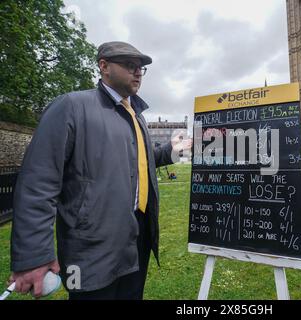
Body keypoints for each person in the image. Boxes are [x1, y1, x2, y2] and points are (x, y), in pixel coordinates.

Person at [8, 41, 191, 300]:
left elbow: (140, 160)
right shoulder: (71, 106)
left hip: (135, 240)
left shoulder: (136, 116)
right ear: (103, 66)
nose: (138, 72)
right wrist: (33, 256)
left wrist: (173, 150)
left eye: (141, 68)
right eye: (130, 65)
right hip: (88, 250)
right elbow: (38, 182)